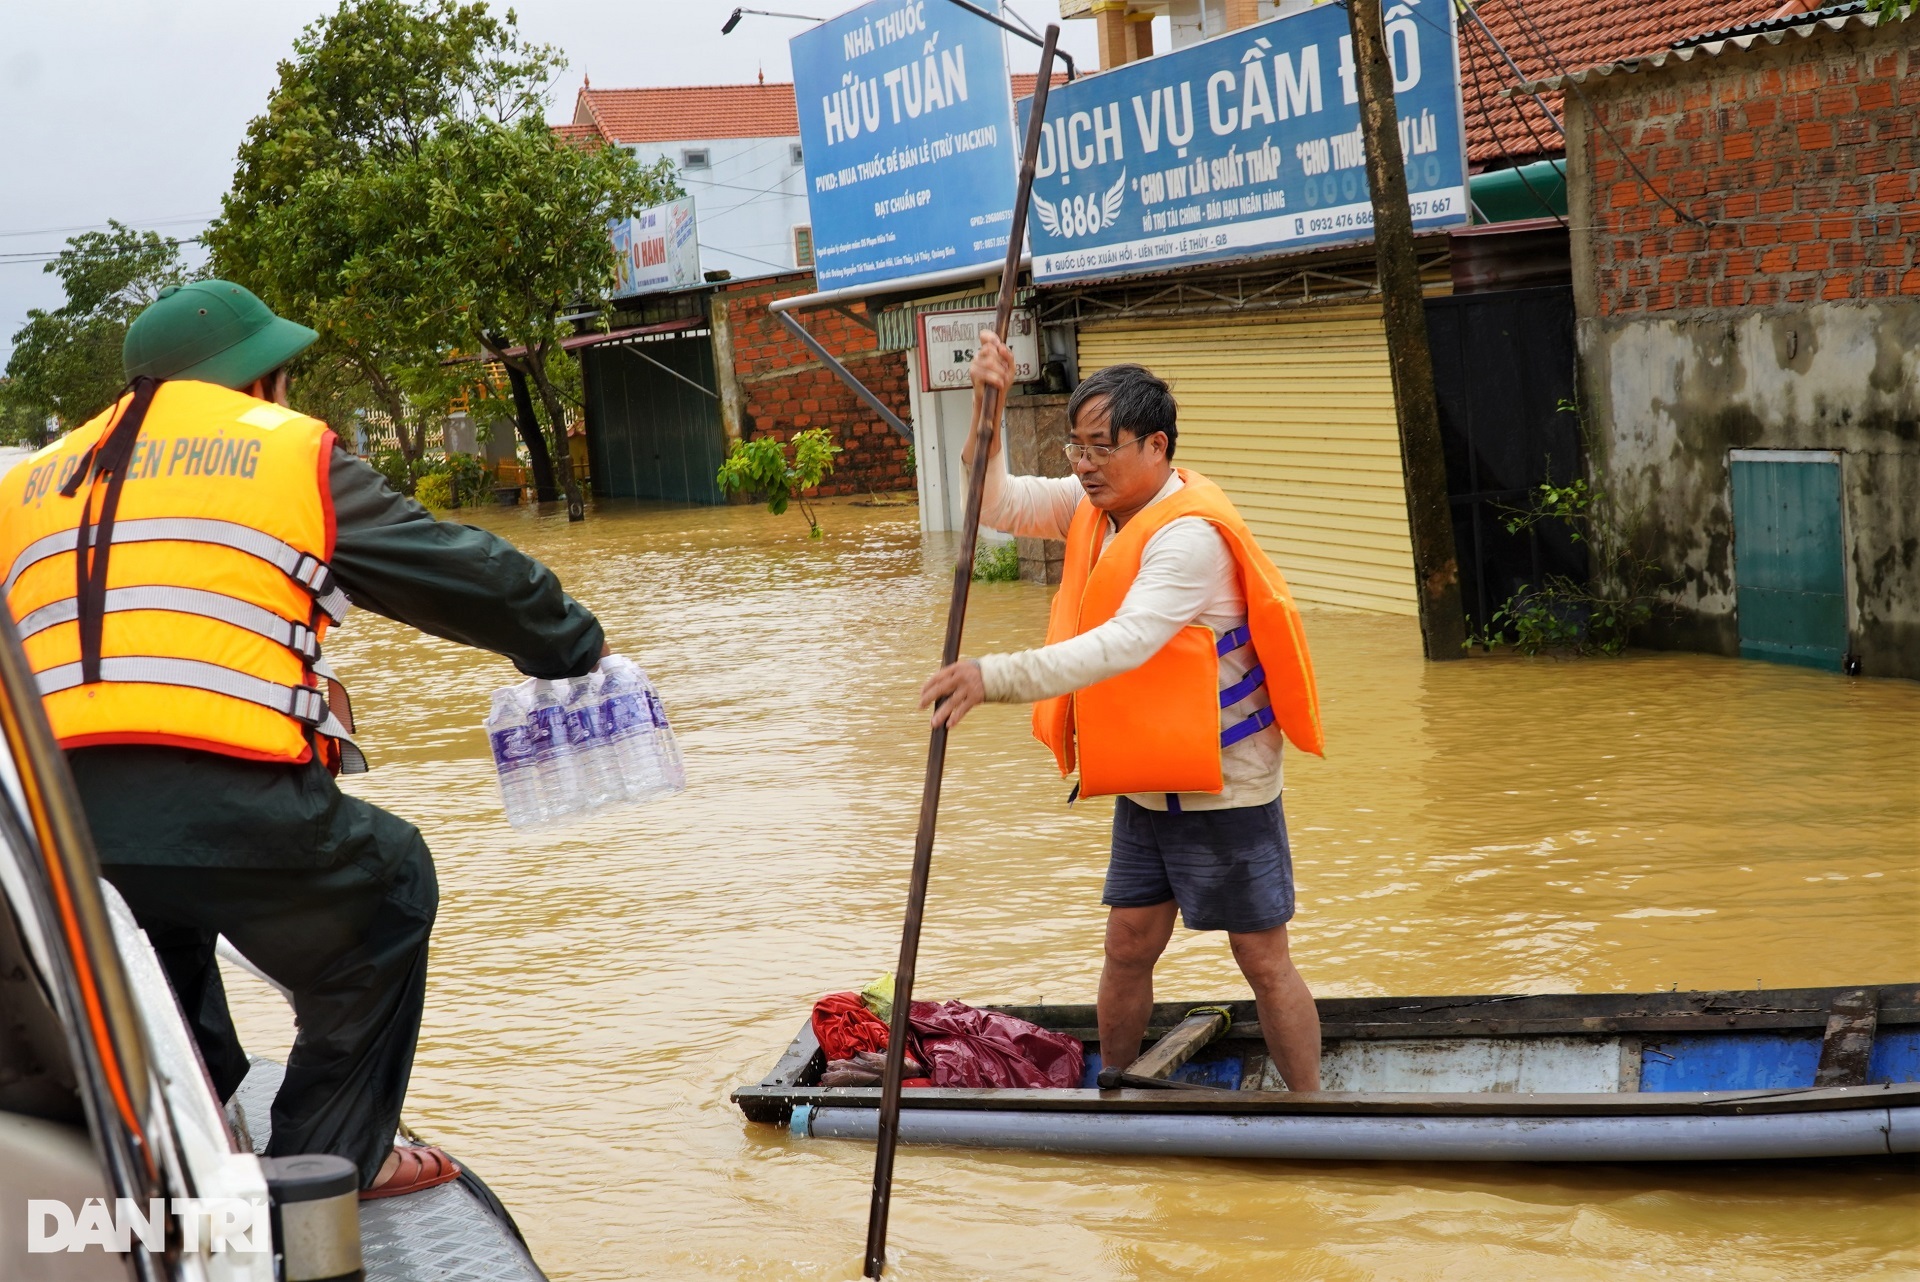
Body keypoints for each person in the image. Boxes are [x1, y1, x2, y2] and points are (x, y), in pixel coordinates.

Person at [0, 280, 604, 1196]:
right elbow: (458, 570)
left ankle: (192, 1124)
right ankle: (333, 1161)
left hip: (43, 830)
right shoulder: (280, 455)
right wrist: (567, 645)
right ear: (259, 383)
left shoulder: (31, 481)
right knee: (390, 887)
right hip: (229, 807)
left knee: (153, 924)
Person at [919, 332, 1327, 1089]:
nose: (1083, 463)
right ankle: (1116, 1091)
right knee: (1128, 945)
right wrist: (988, 403)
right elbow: (996, 500)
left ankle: (1314, 1108)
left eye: (1101, 447)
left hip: (1225, 781)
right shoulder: (1092, 506)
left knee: (1263, 958)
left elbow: (1123, 644)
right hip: (1146, 778)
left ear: (1156, 445)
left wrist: (992, 675)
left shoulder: (1189, 539)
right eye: (1076, 446)